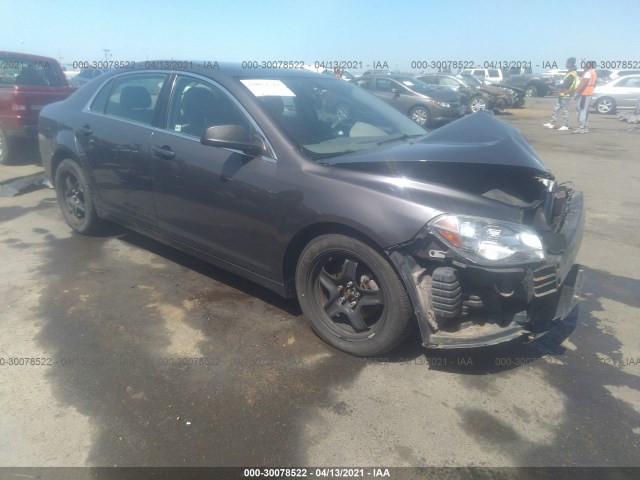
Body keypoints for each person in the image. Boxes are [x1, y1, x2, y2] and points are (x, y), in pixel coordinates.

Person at [543, 58, 578, 130]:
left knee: (564, 110)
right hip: (562, 94)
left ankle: (565, 125)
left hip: (566, 94)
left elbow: (566, 85)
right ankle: (552, 123)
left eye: (567, 63)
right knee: (556, 108)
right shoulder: (570, 72)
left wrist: (555, 84)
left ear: (570, 63)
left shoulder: (572, 74)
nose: (566, 64)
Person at [572, 61, 597, 133]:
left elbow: (584, 84)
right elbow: (594, 83)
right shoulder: (594, 73)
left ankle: (581, 127)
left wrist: (577, 92)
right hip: (589, 93)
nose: (585, 66)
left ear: (589, 65)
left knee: (581, 110)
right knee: (585, 110)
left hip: (584, 94)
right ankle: (585, 127)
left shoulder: (588, 73)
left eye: (586, 64)